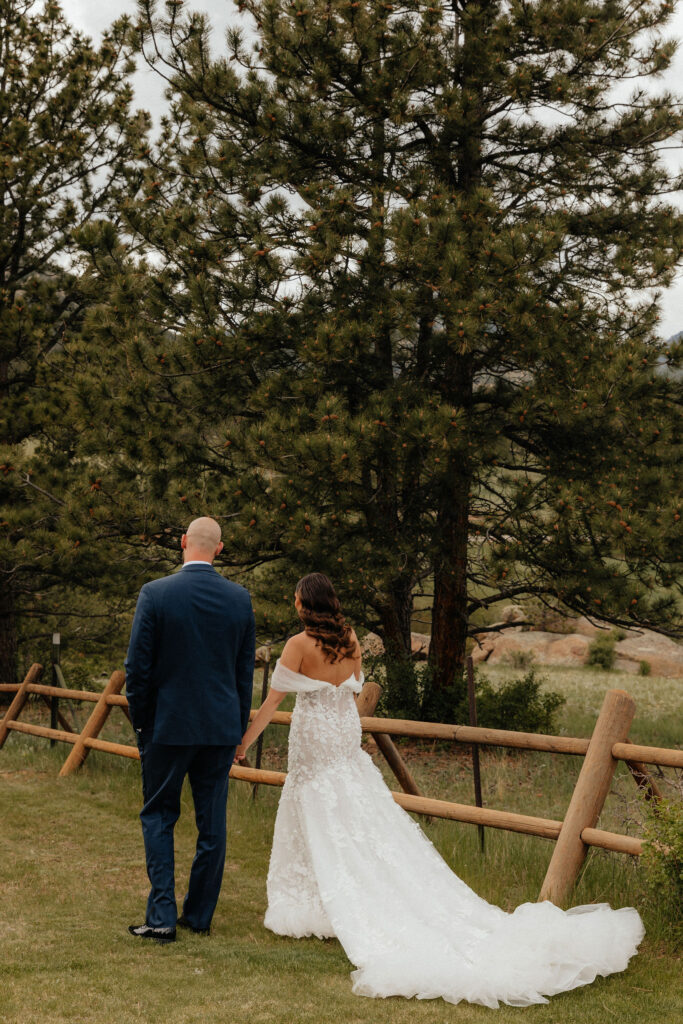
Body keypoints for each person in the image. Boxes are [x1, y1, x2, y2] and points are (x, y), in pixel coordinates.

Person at [235, 572, 643, 1008]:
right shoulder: (350, 639)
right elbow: (349, 697)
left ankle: (311, 907)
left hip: (316, 744)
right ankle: (317, 906)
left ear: (304, 604)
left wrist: (241, 745)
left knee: (319, 818)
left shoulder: (299, 645)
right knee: (355, 824)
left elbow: (273, 703)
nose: (295, 605)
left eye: (297, 599)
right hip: (340, 741)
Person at [125, 516, 255, 944]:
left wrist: (143, 721)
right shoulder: (239, 599)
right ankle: (198, 916)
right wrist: (236, 730)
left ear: (183, 542)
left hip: (167, 725)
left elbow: (137, 670)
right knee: (212, 823)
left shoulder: (156, 593)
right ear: (219, 549)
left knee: (159, 816)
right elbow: (243, 674)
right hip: (219, 728)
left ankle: (161, 916)